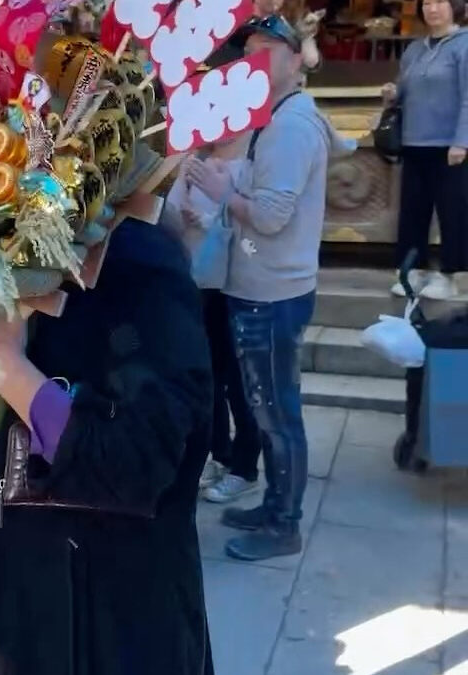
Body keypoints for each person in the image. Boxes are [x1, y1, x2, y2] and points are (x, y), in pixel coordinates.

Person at [0, 220, 214, 675]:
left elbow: (136, 461)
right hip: (11, 611)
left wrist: (6, 365)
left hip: (113, 619)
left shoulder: (135, 263)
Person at [186, 15, 354, 561]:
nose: (251, 62)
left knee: (277, 412)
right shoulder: (275, 116)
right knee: (265, 407)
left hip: (273, 292)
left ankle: (284, 523)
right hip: (262, 285)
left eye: (265, 51)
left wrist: (220, 188)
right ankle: (274, 505)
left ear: (293, 58)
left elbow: (272, 215)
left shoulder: (290, 125)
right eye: (247, 52)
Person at [164, 146, 263, 504]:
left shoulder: (254, 156)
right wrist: (182, 212)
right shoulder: (194, 158)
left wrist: (212, 220)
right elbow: (170, 213)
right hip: (199, 283)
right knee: (208, 376)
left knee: (240, 381)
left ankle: (245, 467)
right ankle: (218, 455)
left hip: (239, 285)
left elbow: (257, 229)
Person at [383, 0, 468, 300]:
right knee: (413, 212)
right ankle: (412, 271)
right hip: (414, 141)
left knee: (452, 212)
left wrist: (462, 140)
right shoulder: (414, 49)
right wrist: (393, 93)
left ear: (455, 6)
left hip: (450, 145)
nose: (432, 9)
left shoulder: (463, 45)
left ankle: (451, 276)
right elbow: (404, 91)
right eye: (427, 3)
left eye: (439, 2)